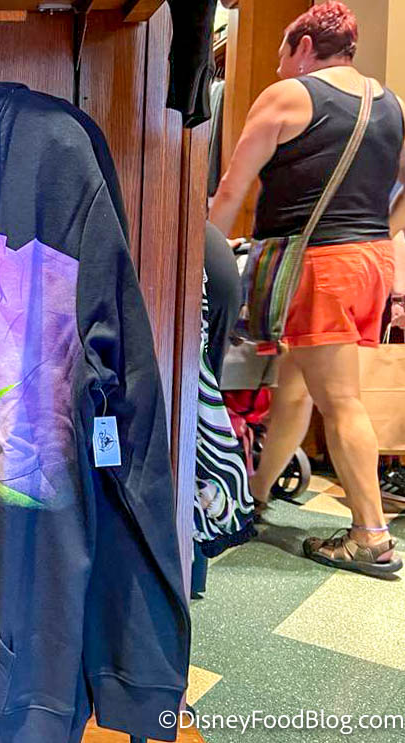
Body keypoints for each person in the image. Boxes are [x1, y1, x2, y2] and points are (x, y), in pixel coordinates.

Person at [210, 1, 405, 577]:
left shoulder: (288, 97)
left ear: (302, 46)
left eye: (282, 52)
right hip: (369, 259)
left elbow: (231, 188)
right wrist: (383, 233)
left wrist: (203, 259)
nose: (277, 65)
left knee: (340, 400)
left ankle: (370, 536)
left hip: (320, 265)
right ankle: (256, 495)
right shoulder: (390, 102)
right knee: (296, 384)